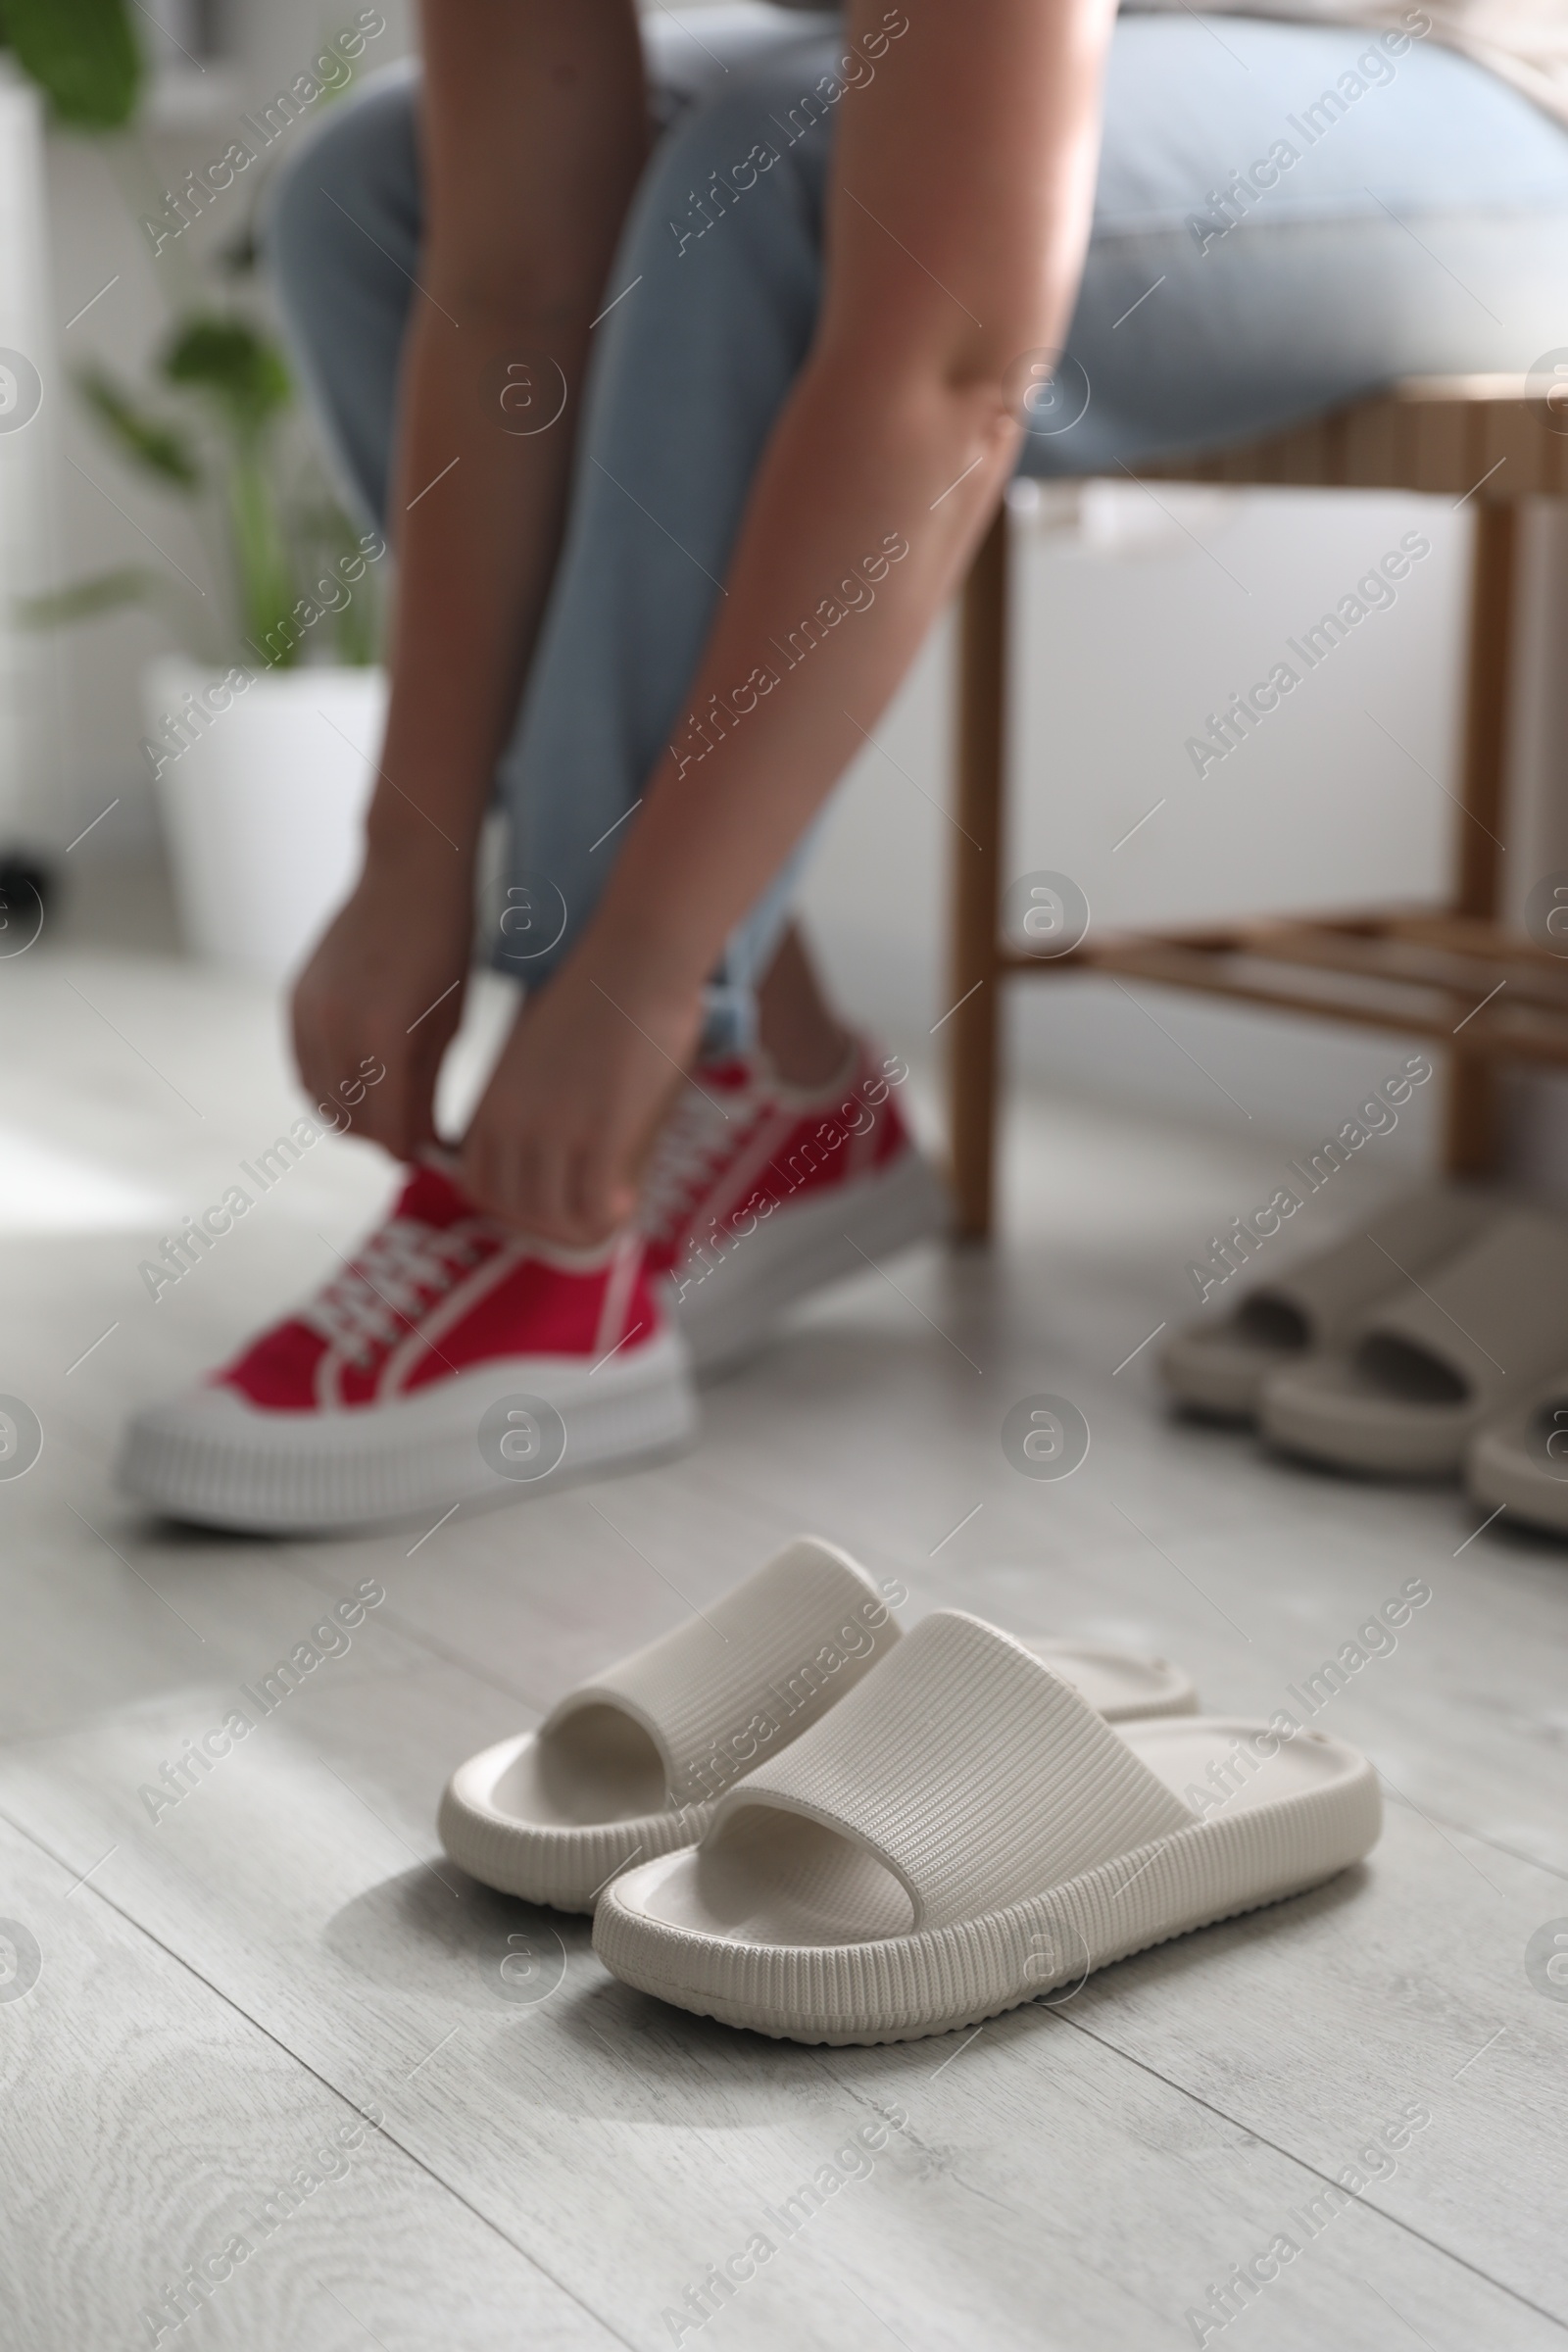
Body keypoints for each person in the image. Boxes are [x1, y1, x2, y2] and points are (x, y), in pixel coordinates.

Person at [120, 0, 1568, 1531]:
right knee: (374, 191)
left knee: (778, 183)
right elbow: (503, 274)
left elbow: (946, 348)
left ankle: (571, 1219)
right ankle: (769, 1081)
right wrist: (410, 850)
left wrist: (632, 975)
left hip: (1478, 116)